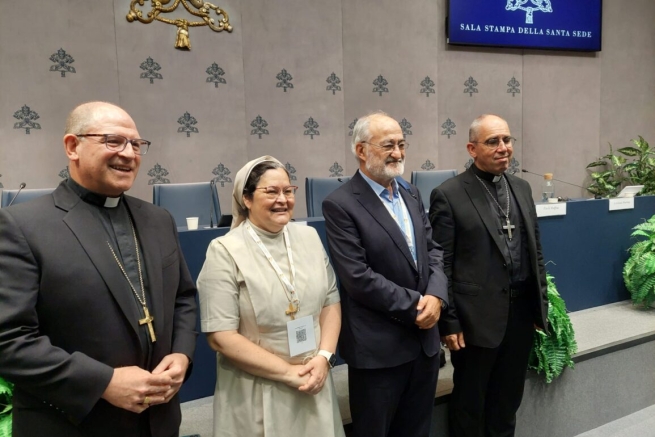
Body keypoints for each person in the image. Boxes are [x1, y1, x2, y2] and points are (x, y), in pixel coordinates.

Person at [0, 101, 198, 437]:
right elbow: (9, 340)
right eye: (113, 141)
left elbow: (184, 299)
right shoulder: (22, 226)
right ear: (72, 146)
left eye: (136, 144)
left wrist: (181, 355)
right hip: (73, 423)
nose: (129, 153)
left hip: (160, 421)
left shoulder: (158, 220)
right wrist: (103, 382)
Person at [196, 156, 345, 437]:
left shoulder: (309, 237)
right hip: (257, 387)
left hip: (314, 376)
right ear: (247, 199)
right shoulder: (224, 251)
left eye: (288, 191)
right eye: (271, 191)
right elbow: (220, 335)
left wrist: (324, 357)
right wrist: (289, 373)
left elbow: (330, 301)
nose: (283, 200)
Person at [322, 112, 449, 437]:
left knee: (417, 430)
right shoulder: (340, 204)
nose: (398, 153)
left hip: (424, 344)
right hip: (379, 350)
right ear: (361, 150)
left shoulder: (411, 193)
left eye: (402, 144)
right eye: (388, 145)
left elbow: (434, 250)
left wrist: (436, 297)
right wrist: (418, 305)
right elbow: (358, 277)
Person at [429, 114, 549, 437]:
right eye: (493, 141)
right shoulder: (449, 194)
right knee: (470, 407)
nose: (503, 148)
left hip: (520, 316)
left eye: (507, 140)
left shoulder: (521, 188)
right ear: (472, 148)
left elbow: (534, 252)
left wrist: (541, 306)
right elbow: (441, 264)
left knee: (507, 404)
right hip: (474, 322)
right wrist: (449, 321)